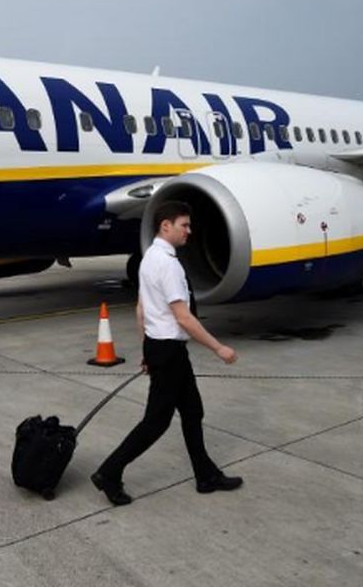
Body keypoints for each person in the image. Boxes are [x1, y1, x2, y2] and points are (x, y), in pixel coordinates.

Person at [91, 201, 242, 506]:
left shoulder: (149, 258)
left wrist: (146, 349)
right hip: (169, 351)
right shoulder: (168, 265)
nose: (189, 231)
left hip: (161, 347)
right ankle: (109, 472)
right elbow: (183, 317)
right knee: (156, 421)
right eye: (184, 225)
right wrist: (218, 347)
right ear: (166, 226)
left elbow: (141, 309)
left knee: (192, 411)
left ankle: (205, 475)